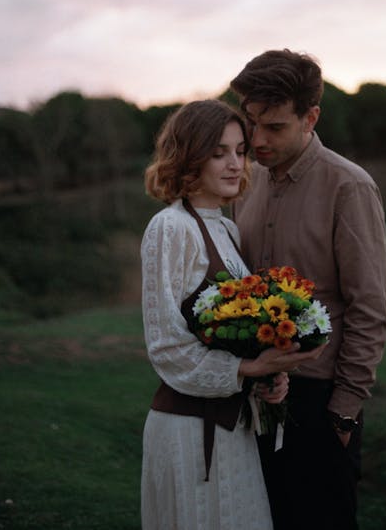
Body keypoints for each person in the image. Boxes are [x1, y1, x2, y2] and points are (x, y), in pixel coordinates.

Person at [140, 99, 325, 530]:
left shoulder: (225, 227)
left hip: (233, 430)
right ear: (188, 155)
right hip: (188, 431)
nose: (234, 164)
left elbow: (231, 334)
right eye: (218, 152)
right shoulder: (170, 228)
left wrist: (263, 379)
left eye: (240, 151)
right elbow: (166, 345)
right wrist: (246, 366)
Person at [230, 50, 386, 530]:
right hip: (253, 392)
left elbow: (369, 308)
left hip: (320, 403)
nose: (257, 139)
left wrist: (342, 414)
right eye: (251, 122)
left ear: (310, 117)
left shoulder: (349, 187)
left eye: (274, 127)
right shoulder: (246, 182)